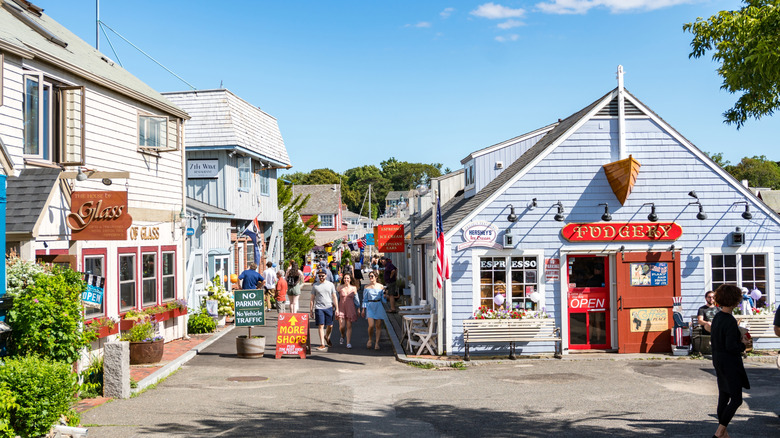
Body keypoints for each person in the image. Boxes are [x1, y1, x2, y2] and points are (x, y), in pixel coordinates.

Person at [710, 284, 751, 438]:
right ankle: (720, 431)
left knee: (724, 396)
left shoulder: (717, 317)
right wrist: (743, 343)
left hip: (718, 360)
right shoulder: (730, 320)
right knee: (736, 399)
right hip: (730, 362)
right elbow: (731, 347)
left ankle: (724, 433)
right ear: (735, 301)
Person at [310, 270, 339, 351]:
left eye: (322, 276)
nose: (321, 277)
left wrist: (337, 308)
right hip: (319, 308)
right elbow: (312, 299)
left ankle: (326, 336)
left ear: (326, 275)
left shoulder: (330, 285)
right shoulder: (315, 285)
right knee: (321, 325)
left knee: (330, 326)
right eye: (319, 276)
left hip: (329, 307)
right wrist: (311, 310)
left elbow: (334, 297)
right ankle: (322, 344)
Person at [361, 270, 386, 350]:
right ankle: (370, 339)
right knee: (371, 325)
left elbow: (383, 299)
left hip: (378, 305)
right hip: (370, 306)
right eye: (370, 276)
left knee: (378, 325)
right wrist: (363, 309)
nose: (370, 278)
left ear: (376, 277)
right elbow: (364, 299)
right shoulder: (366, 287)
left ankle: (377, 343)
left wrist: (385, 296)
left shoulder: (381, 286)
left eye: (372, 276)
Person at [336, 272, 359, 349]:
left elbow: (356, 300)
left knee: (349, 326)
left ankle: (348, 343)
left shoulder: (354, 288)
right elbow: (336, 298)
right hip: (341, 308)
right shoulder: (339, 287)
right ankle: (342, 335)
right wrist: (335, 307)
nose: (346, 279)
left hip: (350, 308)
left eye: (347, 278)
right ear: (343, 279)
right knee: (341, 326)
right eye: (345, 278)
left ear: (350, 279)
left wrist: (358, 308)